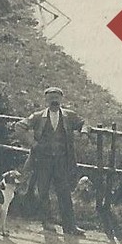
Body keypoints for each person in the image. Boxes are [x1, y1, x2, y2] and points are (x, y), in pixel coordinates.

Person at [20, 86, 89, 235]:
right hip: (42, 161)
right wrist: (33, 144)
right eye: (51, 99)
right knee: (43, 191)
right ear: (46, 100)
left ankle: (70, 226)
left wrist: (84, 133)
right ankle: (47, 222)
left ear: (61, 100)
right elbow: (19, 126)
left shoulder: (69, 116)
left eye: (57, 98)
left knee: (64, 192)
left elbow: (84, 123)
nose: (54, 101)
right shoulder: (38, 116)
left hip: (61, 161)